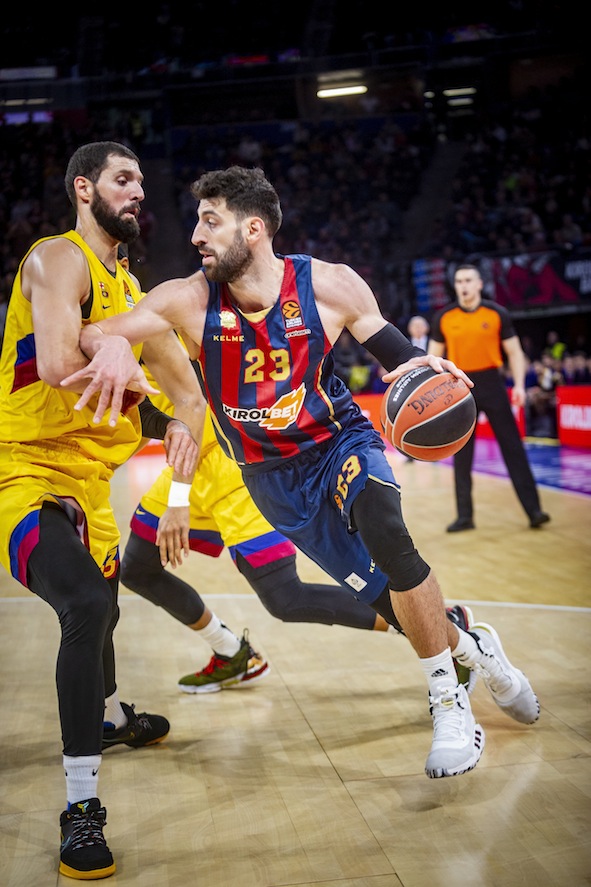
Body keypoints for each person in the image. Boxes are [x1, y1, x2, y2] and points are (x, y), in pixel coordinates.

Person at [66, 165, 540, 786]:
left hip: (339, 440)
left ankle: (450, 705)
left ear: (254, 228)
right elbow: (93, 332)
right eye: (197, 222)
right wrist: (109, 346)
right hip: (273, 480)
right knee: (386, 604)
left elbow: (396, 354)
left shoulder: (330, 285)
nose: (195, 237)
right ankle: (478, 652)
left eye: (211, 222)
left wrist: (428, 370)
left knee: (386, 529)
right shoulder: (186, 298)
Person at [0, 141, 202, 881]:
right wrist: (104, 345)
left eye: (144, 180)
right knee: (85, 603)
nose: (139, 190)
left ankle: (110, 717)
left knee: (107, 607)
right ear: (84, 188)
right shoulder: (57, 259)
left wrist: (179, 453)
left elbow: (190, 400)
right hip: (20, 474)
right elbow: (55, 364)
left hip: (93, 487)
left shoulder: (137, 296)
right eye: (124, 178)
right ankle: (80, 808)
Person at [121, 398, 477, 693]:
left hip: (233, 469)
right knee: (137, 568)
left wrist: (178, 499)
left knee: (286, 599)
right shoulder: (114, 329)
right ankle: (231, 652)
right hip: (185, 466)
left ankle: (440, 628)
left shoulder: (160, 324)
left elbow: (192, 401)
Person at [428, 264, 550, 532]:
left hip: (492, 383)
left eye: (469, 280)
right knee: (462, 453)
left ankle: (534, 511)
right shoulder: (444, 317)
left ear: (480, 284)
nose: (464, 285)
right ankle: (465, 516)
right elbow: (433, 359)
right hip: (459, 386)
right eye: (459, 281)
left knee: (513, 448)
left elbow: (515, 353)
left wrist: (518, 384)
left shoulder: (497, 313)